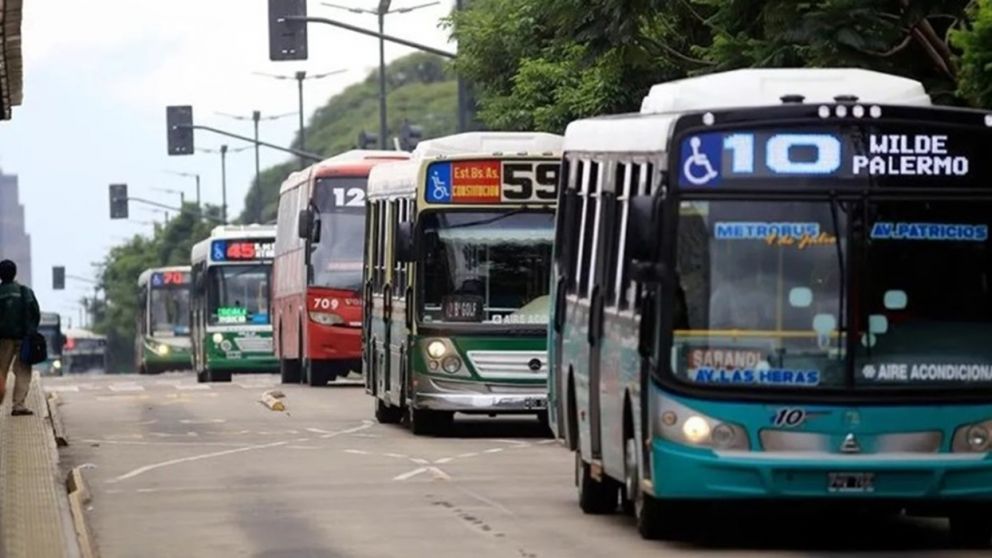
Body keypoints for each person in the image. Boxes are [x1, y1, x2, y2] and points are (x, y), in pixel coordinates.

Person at [0, 260, 41, 416]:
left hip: (3, 340)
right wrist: (31, 331)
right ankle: (18, 405)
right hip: (23, 339)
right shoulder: (25, 292)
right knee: (23, 371)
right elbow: (35, 313)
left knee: (1, 371)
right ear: (15, 273)